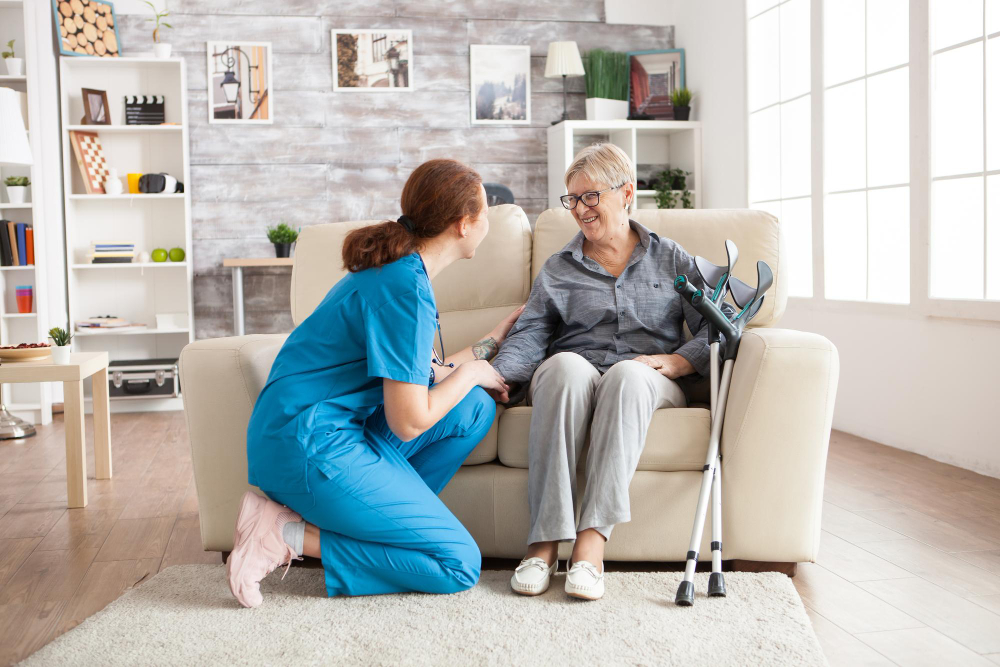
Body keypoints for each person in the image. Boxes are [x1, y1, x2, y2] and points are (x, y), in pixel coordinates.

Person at [228, 159, 523, 608]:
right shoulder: (405, 290)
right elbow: (409, 421)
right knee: (458, 564)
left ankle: (383, 522)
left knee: (474, 409)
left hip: (320, 430)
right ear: (464, 225)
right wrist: (470, 374)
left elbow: (427, 370)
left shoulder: (401, 272)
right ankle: (283, 533)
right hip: (305, 445)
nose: (488, 221)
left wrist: (491, 344)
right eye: (485, 212)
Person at [492, 143, 732, 601]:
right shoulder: (559, 267)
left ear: (627, 192)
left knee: (627, 375)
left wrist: (681, 361)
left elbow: (716, 328)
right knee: (562, 368)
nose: (580, 209)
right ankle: (543, 544)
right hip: (574, 369)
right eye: (572, 199)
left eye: (590, 197)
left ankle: (590, 546)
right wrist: (500, 377)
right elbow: (530, 333)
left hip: (647, 377)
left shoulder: (671, 258)